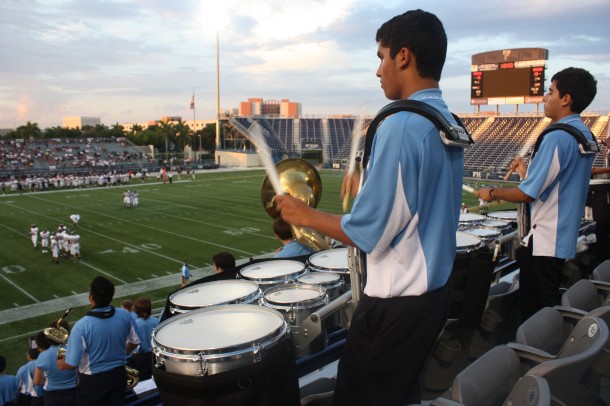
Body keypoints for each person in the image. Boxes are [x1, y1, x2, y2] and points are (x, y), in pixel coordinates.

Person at [275, 10, 461, 405]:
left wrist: (300, 213)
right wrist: (371, 185)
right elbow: (422, 196)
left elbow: (368, 234)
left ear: (404, 57)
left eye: (381, 57)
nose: (379, 71)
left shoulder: (401, 124)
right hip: (432, 294)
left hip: (397, 303)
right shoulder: (443, 117)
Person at [475, 67, 597, 322]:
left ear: (566, 99)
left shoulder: (557, 137)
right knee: (548, 304)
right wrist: (525, 171)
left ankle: (540, 358)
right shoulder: (584, 134)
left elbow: (527, 195)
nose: (544, 97)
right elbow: (558, 181)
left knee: (537, 314)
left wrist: (492, 192)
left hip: (545, 241)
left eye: (550, 91)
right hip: (562, 235)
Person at [57, 276, 140, 405]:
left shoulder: (81, 326)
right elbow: (135, 341)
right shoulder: (124, 315)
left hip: (93, 382)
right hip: (118, 375)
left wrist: (61, 363)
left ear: (91, 297)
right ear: (111, 296)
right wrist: (122, 354)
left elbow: (72, 363)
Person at [34, 327, 77, 406]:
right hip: (74, 392)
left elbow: (37, 382)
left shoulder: (42, 356)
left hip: (53, 395)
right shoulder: (72, 350)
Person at [130, 297, 159, 381]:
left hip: (140, 358)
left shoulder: (135, 324)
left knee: (143, 382)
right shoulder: (156, 321)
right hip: (154, 356)